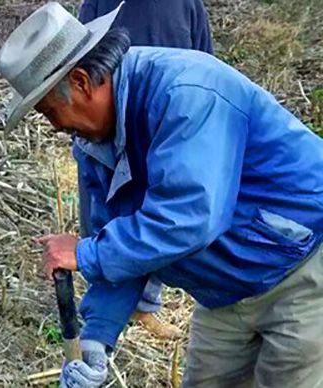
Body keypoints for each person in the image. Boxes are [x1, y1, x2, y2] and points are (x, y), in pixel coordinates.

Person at [0, 3, 323, 388]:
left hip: (303, 271)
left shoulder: (187, 93)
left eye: (50, 112)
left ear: (82, 82)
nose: (54, 127)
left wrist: (85, 254)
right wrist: (97, 339)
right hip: (224, 292)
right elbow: (118, 242)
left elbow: (188, 218)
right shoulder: (91, 143)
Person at [77, 0, 213, 339]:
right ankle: (108, 307)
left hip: (171, 125)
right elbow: (77, 59)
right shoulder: (99, 3)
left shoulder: (186, 4)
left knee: (159, 214)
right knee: (108, 214)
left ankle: (145, 303)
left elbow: (205, 61)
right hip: (107, 125)